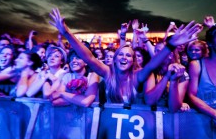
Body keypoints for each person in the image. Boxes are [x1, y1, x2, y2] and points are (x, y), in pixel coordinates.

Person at [49, 8, 202, 105]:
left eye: (128, 56)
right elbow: (88, 57)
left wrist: (171, 45)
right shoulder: (108, 73)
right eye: (120, 54)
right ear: (114, 59)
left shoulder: (137, 76)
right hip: (109, 126)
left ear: (133, 60)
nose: (123, 58)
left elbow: (153, 64)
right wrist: (66, 33)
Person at [144, 41, 190, 112]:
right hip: (151, 115)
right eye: (155, 51)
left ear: (170, 55)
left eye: (159, 52)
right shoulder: (151, 71)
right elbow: (149, 101)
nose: (155, 54)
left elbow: (173, 108)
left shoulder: (182, 74)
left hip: (170, 118)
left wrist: (174, 80)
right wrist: (166, 76)